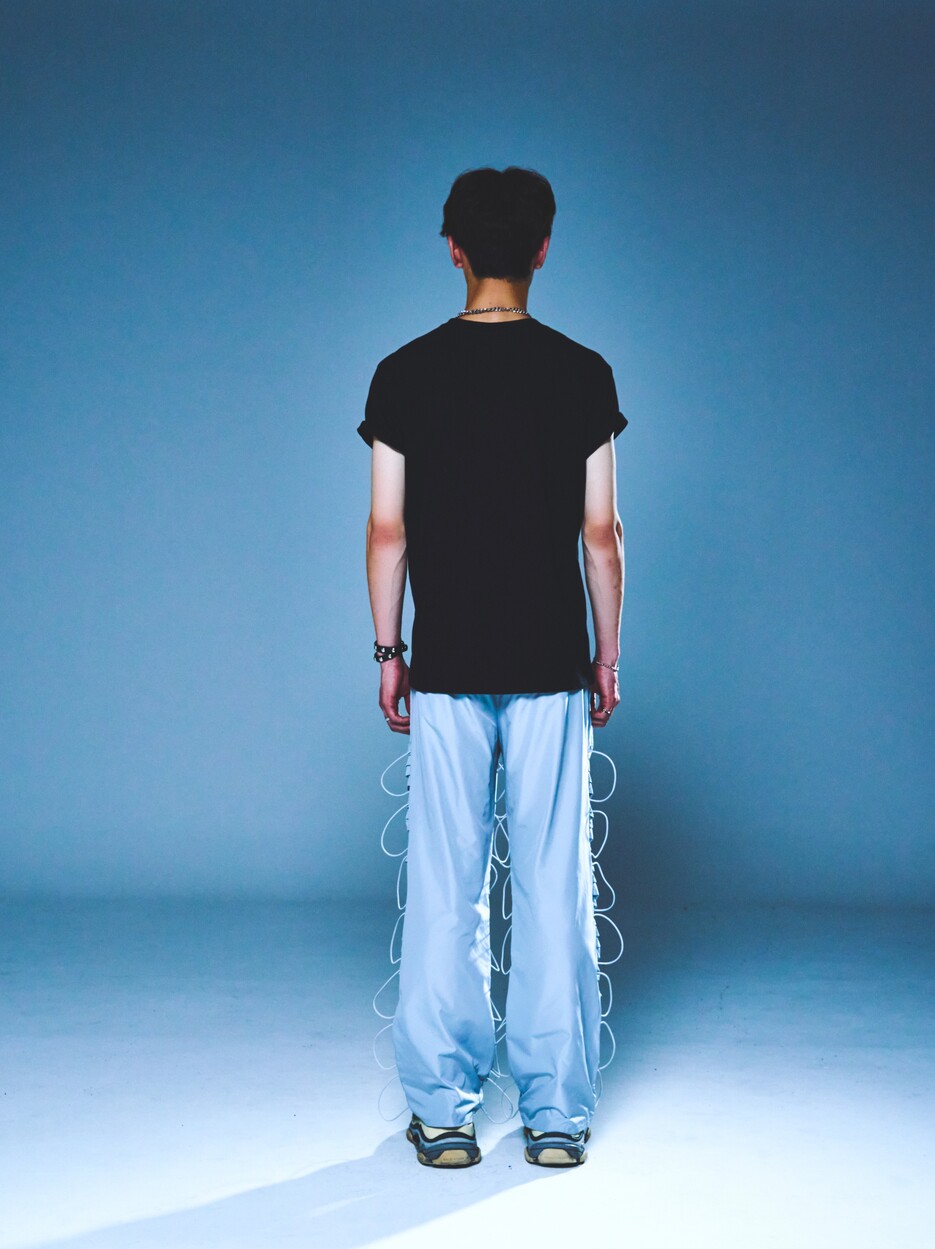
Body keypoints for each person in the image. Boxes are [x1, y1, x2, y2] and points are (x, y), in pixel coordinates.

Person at [358, 166, 626, 1169]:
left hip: (447, 661)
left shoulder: (401, 373)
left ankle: (443, 1112)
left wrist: (390, 649)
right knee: (555, 886)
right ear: (543, 249)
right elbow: (600, 533)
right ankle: (556, 1116)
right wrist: (606, 651)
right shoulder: (583, 373)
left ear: (454, 248)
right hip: (552, 661)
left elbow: (387, 530)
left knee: (445, 884)